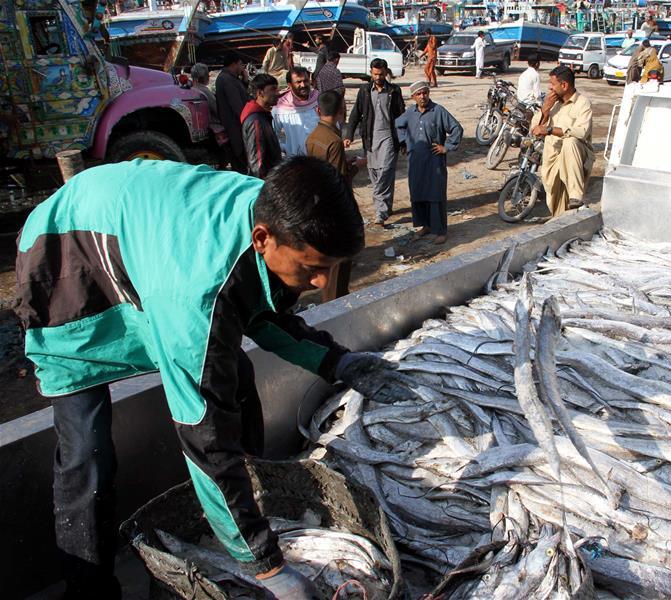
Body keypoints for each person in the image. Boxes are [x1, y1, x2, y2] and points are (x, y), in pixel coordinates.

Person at [14, 156, 417, 599]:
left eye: (331, 266)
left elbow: (259, 308)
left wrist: (337, 362)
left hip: (140, 236)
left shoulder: (273, 209)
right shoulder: (196, 296)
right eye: (311, 268)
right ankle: (88, 589)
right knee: (87, 450)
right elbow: (205, 437)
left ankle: (245, 511)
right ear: (262, 238)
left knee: (236, 378)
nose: (323, 283)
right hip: (66, 261)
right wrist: (266, 566)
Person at [306, 90, 363, 301]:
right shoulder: (334, 140)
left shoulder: (313, 137)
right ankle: (335, 304)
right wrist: (357, 166)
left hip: (320, 203)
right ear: (341, 111)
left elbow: (322, 169)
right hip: (337, 209)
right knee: (339, 263)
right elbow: (339, 180)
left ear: (318, 110)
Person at [396, 81, 463, 245]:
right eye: (418, 94)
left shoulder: (438, 111)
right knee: (418, 193)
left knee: (435, 194)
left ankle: (440, 231)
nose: (422, 96)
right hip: (415, 161)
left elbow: (456, 128)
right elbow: (398, 125)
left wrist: (446, 147)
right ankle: (425, 226)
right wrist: (404, 142)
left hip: (434, 161)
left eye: (425, 93)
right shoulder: (410, 113)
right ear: (413, 97)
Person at [344, 58, 405, 226]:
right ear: (371, 73)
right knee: (375, 173)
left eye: (381, 74)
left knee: (385, 170)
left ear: (386, 73)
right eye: (375, 74)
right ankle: (387, 206)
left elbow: (401, 116)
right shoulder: (364, 91)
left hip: (389, 136)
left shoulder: (394, 90)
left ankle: (380, 212)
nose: (378, 77)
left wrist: (404, 141)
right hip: (370, 138)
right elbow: (355, 114)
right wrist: (349, 135)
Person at [531, 66, 594, 217]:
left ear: (564, 85)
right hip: (553, 157)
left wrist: (551, 130)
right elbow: (535, 129)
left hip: (576, 156)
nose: (550, 88)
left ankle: (575, 195)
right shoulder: (552, 103)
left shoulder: (583, 103)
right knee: (557, 207)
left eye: (553, 84)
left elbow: (581, 132)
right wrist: (545, 110)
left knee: (570, 142)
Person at [272, 66, 319, 157]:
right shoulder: (281, 107)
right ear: (289, 85)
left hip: (319, 158)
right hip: (295, 159)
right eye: (298, 82)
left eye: (305, 81)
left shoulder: (318, 100)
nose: (303, 85)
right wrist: (285, 147)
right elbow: (272, 135)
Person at [216, 51, 251, 173]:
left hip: (236, 125)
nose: (242, 68)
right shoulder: (226, 79)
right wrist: (248, 122)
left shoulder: (231, 78)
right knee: (239, 159)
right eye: (241, 64)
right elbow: (237, 105)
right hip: (235, 126)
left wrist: (245, 80)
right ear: (234, 64)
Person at [242, 73, 282, 179]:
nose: (277, 93)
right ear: (260, 93)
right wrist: (264, 184)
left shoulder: (262, 115)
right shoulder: (256, 121)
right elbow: (257, 162)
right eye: (273, 89)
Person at [191, 62, 228, 154]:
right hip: (213, 127)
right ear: (205, 77)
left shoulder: (192, 89)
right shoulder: (204, 91)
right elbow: (217, 110)